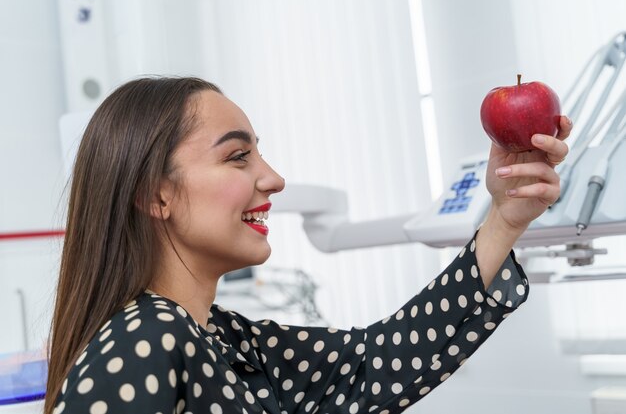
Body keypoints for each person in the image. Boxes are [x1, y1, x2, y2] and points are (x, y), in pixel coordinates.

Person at [45, 76, 570, 414]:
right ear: (154, 195)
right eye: (237, 158)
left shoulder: (225, 338)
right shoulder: (146, 340)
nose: (273, 179)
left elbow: (374, 364)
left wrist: (505, 217)